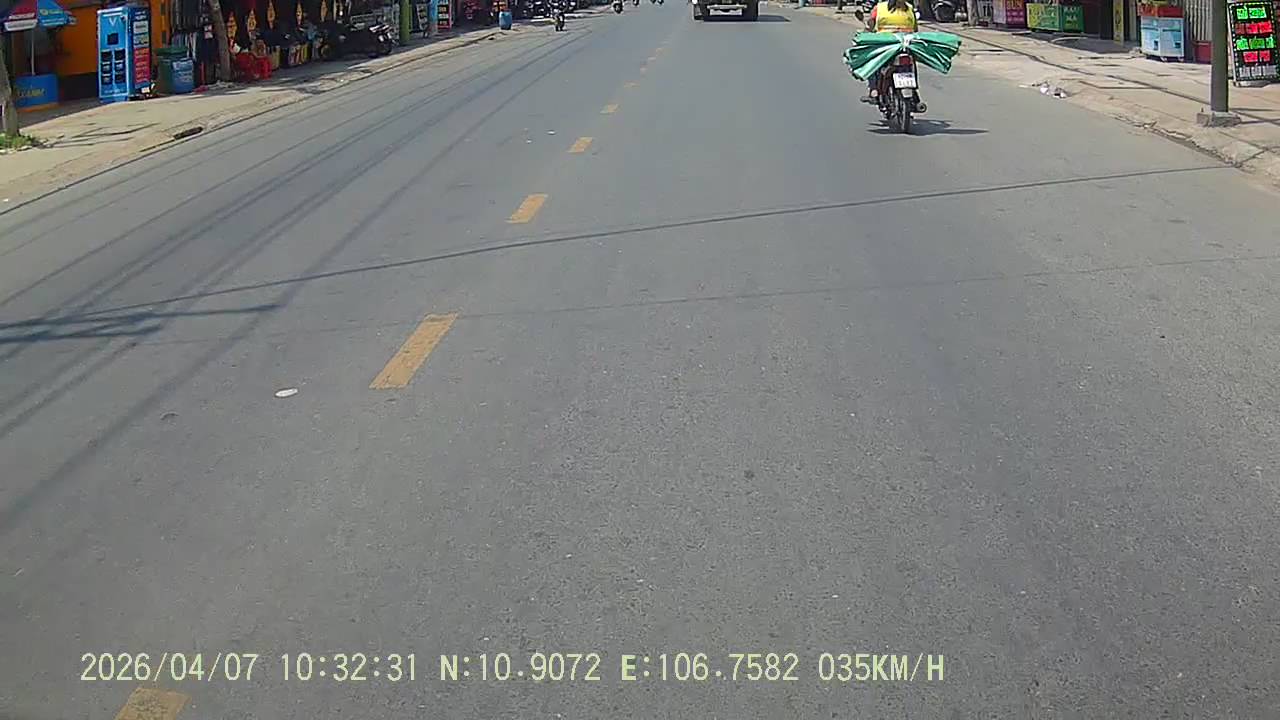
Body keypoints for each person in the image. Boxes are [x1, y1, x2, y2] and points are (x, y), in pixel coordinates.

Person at [861, 0, 921, 105]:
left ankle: (873, 90)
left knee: (872, 61)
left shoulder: (879, 8)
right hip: (906, 45)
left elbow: (870, 26)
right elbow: (915, 29)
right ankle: (915, 92)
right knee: (912, 63)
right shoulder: (910, 8)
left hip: (886, 45)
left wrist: (866, 33)